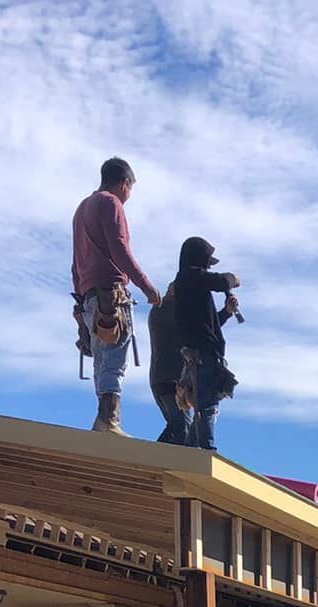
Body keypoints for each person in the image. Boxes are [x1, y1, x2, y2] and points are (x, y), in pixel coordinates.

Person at [71, 157, 160, 434]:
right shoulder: (111, 203)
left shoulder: (82, 207)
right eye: (130, 188)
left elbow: (76, 261)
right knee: (113, 359)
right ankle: (108, 420)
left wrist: (79, 300)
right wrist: (147, 286)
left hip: (88, 296)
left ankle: (103, 420)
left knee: (101, 359)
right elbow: (120, 249)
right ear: (125, 182)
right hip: (111, 293)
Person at [170, 236, 241, 452]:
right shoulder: (189, 278)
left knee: (204, 400)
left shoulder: (191, 284)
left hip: (201, 353)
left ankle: (192, 449)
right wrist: (231, 279)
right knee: (207, 404)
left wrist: (227, 313)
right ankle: (207, 450)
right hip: (202, 355)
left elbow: (208, 325)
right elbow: (220, 281)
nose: (207, 268)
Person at [145, 286, 191, 444]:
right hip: (171, 379)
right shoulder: (169, 310)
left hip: (160, 378)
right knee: (183, 428)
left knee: (175, 426)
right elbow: (200, 327)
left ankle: (150, 461)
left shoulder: (160, 309)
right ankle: (153, 463)